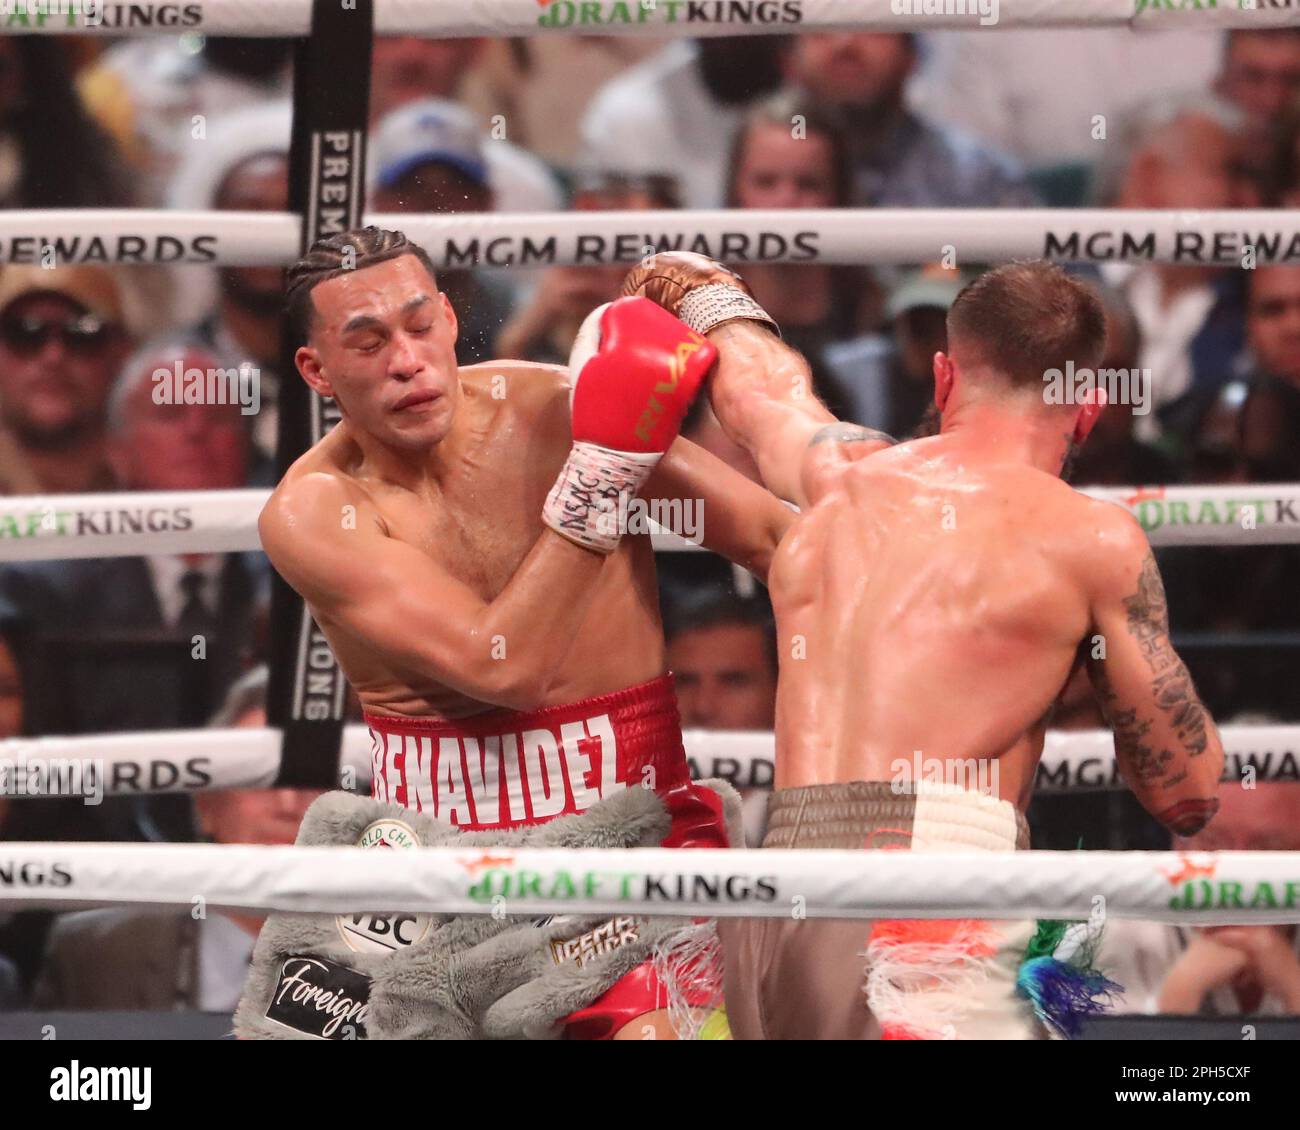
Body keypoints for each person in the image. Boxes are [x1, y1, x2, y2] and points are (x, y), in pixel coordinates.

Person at [622, 252, 1225, 1040]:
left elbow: (762, 389)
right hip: (932, 905)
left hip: (778, 892)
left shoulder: (838, 478)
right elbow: (1187, 794)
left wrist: (699, 292)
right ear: (1087, 407)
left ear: (944, 378)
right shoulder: (1091, 538)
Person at [251, 226, 792, 1040]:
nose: (407, 361)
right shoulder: (313, 511)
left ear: (445, 315)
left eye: (419, 325)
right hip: (430, 860)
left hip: (631, 836)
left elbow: (781, 545)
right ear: (315, 370)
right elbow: (500, 666)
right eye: (367, 343)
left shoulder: (552, 410)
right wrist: (604, 472)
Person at [33, 668, 322, 1013]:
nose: (288, 805)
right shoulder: (95, 954)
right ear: (206, 807)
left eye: (311, 779)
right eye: (259, 777)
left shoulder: (390, 965)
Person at [1100, 779, 1300, 1018]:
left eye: (1266, 848)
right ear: (1178, 845)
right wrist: (1173, 1003)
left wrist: (1295, 994)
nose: (1235, 874)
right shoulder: (1118, 939)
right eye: (1212, 843)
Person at [0, 266, 132, 495]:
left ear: (122, 352)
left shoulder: (161, 479)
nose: (53, 357)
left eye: (81, 334)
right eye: (24, 333)